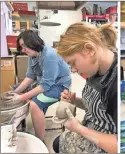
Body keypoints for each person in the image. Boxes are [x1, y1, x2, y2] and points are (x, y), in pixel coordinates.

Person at [53, 22, 118, 153]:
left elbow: (119, 145)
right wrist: (75, 100)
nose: (73, 70)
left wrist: (79, 129)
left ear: (89, 49)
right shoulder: (94, 69)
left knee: (58, 143)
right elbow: (100, 109)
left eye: (72, 63)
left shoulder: (115, 83)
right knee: (57, 142)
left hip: (108, 144)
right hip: (92, 126)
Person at [4, 30, 71, 140]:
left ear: (33, 42)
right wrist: (15, 93)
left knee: (35, 104)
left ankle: (40, 140)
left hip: (60, 87)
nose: (23, 50)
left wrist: (21, 97)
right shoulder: (33, 55)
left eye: (24, 46)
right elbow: (30, 76)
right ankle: (24, 123)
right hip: (45, 83)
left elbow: (45, 86)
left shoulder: (50, 55)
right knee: (16, 90)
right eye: (21, 47)